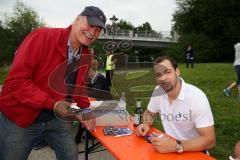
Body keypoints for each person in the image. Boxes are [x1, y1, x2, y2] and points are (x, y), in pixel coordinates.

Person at [0, 6, 106, 160]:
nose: (93, 32)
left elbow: (80, 88)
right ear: (77, 19)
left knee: (70, 155)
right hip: (20, 118)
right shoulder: (42, 36)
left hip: (56, 120)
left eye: (98, 30)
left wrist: (85, 110)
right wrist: (53, 104)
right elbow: (16, 82)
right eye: (90, 25)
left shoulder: (86, 55)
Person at [136, 56, 215, 153]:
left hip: (194, 151)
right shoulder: (158, 90)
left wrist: (176, 146)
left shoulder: (196, 97)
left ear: (177, 72)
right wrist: (145, 124)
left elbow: (210, 140)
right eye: (158, 75)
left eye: (167, 72)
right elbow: (149, 113)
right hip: (167, 148)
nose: (163, 78)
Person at [75, 57, 111, 144]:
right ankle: (85, 133)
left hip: (105, 104)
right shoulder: (93, 79)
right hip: (97, 102)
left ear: (90, 71)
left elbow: (94, 93)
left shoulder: (100, 78)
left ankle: (79, 136)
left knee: (85, 111)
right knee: (83, 109)